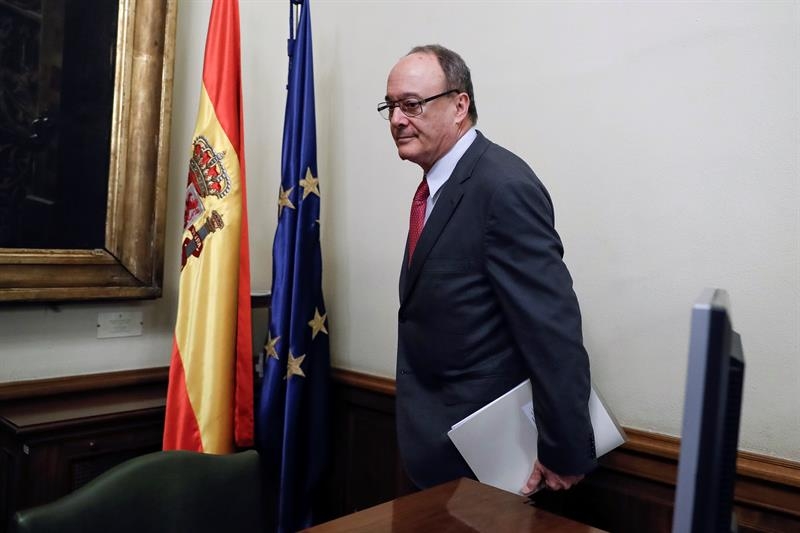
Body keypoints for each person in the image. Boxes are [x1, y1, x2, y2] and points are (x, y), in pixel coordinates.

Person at [381, 44, 597, 492]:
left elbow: (551, 330)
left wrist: (565, 451)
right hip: (438, 455)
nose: (398, 119)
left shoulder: (503, 187)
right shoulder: (434, 190)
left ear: (460, 105)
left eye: (412, 105)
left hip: (495, 465)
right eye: (392, 106)